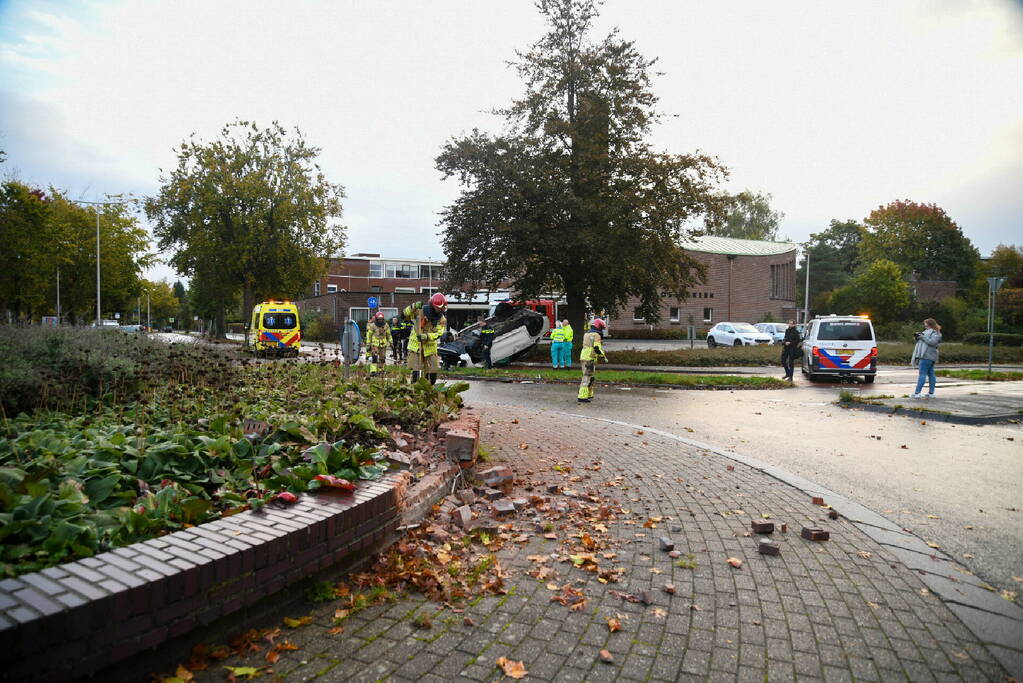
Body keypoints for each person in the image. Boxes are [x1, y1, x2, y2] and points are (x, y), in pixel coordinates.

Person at [403, 292, 447, 385]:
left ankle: (428, 389)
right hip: (415, 346)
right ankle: (414, 392)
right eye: (437, 308)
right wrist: (413, 306)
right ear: (432, 305)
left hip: (430, 347)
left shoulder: (442, 319)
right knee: (415, 373)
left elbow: (439, 333)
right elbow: (405, 315)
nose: (439, 310)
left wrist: (427, 336)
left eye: (441, 308)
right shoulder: (419, 311)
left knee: (432, 373)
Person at [577, 318, 607, 403]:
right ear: (599, 326)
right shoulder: (596, 335)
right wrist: (603, 356)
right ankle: (582, 396)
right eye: (601, 328)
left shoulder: (587, 333)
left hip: (584, 356)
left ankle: (589, 394)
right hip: (590, 357)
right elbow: (597, 347)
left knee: (590, 376)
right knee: (587, 377)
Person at [910, 318, 942, 398]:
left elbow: (932, 342)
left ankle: (917, 393)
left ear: (930, 324)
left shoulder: (935, 333)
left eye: (926, 324)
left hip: (926, 356)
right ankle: (931, 393)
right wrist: (917, 338)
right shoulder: (926, 332)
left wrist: (922, 337)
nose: (924, 325)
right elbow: (921, 342)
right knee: (931, 374)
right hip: (929, 356)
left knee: (922, 374)